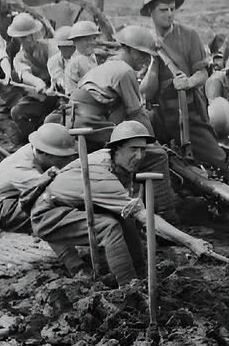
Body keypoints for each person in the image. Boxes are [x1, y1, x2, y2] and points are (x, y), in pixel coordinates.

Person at [31, 120, 185, 286]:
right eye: (133, 149)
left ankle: (141, 276)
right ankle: (128, 288)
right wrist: (190, 241)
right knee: (109, 227)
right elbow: (143, 216)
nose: (139, 156)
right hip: (47, 216)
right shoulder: (101, 173)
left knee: (127, 220)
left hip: (70, 207)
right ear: (116, 148)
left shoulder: (115, 161)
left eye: (142, 149)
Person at [71, 25, 177, 218]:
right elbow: (137, 114)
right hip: (91, 124)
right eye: (141, 54)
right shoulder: (124, 71)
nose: (145, 61)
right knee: (156, 156)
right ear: (126, 49)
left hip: (81, 122)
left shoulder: (107, 66)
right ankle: (165, 215)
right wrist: (153, 143)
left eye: (148, 57)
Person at [139, 0, 227, 172]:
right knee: (145, 157)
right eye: (164, 10)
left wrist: (188, 82)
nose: (170, 14)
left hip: (187, 109)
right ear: (150, 12)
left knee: (218, 161)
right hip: (158, 113)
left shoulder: (189, 35)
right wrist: (154, 64)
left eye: (172, 9)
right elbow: (146, 92)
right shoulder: (145, 40)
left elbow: (202, 74)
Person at [0, 123, 78, 264]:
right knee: (48, 213)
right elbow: (57, 192)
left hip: (20, 194)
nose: (67, 160)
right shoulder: (21, 169)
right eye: (61, 157)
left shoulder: (38, 152)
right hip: (1, 208)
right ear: (42, 152)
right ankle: (74, 264)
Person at [7, 13, 60, 143]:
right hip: (40, 95)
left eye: (29, 36)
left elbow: (56, 67)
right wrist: (38, 83)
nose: (28, 41)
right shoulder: (18, 58)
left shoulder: (50, 46)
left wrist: (53, 84)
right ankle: (35, 141)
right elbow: (25, 74)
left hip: (59, 91)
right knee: (17, 112)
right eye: (23, 38)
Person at [63, 20, 101, 93]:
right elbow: (71, 92)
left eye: (93, 38)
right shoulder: (75, 63)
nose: (92, 42)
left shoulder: (92, 57)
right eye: (86, 40)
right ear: (75, 42)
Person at [48, 26, 75, 95]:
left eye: (68, 46)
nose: (63, 49)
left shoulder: (82, 58)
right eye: (61, 46)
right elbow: (58, 78)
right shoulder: (54, 61)